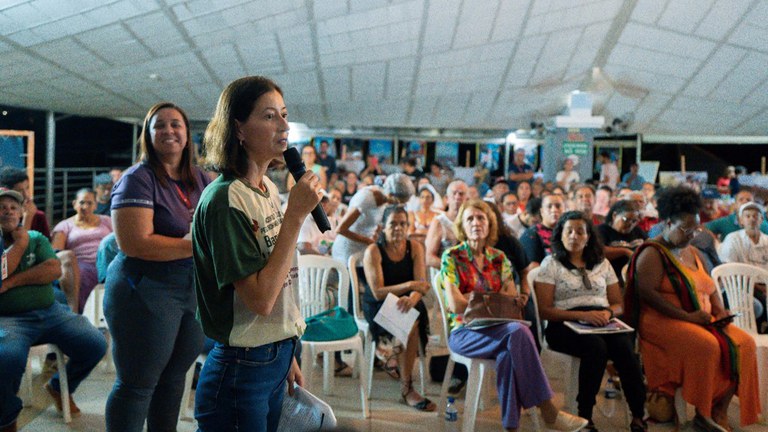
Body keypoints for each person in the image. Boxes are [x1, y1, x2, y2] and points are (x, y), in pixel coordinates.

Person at [192, 76, 321, 432]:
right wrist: (295, 216)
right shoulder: (225, 199)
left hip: (273, 356)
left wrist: (284, 346)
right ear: (238, 129)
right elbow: (260, 299)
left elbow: (280, 276)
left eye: (284, 114)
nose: (284, 126)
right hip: (242, 368)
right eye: (269, 116)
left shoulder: (266, 190)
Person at [104, 102, 210, 432]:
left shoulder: (200, 178)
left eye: (176, 124)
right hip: (145, 288)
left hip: (190, 288)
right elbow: (135, 243)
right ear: (147, 136)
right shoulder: (137, 179)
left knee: (174, 378)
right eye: (159, 125)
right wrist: (198, 246)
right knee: (137, 385)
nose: (168, 130)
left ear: (187, 133)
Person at [440, 199, 587, 432]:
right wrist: (493, 297)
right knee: (518, 331)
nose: (476, 223)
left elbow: (510, 301)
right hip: (465, 332)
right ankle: (548, 410)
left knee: (510, 351)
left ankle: (511, 427)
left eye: (481, 218)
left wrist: (475, 297)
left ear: (490, 225)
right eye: (470, 219)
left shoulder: (499, 258)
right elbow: (456, 305)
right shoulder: (452, 257)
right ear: (462, 226)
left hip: (500, 328)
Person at [625, 186, 761, 431]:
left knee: (745, 344)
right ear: (668, 223)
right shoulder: (653, 252)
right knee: (707, 345)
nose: (692, 235)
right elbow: (647, 294)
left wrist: (719, 311)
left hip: (699, 318)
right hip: (661, 320)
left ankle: (719, 409)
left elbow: (711, 287)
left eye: (696, 229)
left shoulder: (693, 251)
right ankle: (702, 411)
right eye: (686, 230)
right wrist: (686, 316)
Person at [0, 188, 107, 432]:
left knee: (95, 344)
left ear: (21, 212)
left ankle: (58, 387)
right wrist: (20, 245)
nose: (8, 212)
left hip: (51, 312)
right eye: (2, 208)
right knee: (6, 360)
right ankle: (6, 418)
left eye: (13, 208)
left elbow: (53, 270)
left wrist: (11, 283)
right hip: (8, 319)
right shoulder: (25, 240)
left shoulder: (36, 238)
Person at [534, 211, 647, 432]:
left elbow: (618, 304)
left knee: (625, 348)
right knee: (596, 348)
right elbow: (545, 310)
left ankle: (638, 415)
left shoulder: (602, 263)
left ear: (588, 237)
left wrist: (608, 313)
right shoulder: (551, 263)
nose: (574, 236)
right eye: (569, 231)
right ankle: (585, 415)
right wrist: (582, 316)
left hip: (601, 320)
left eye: (580, 232)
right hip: (563, 324)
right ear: (560, 235)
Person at [361, 205, 434, 410]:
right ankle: (407, 388)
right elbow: (378, 291)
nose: (398, 228)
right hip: (378, 304)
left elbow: (422, 285)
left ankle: (396, 360)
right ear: (383, 227)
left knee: (413, 313)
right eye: (393, 223)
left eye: (403, 224)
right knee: (410, 320)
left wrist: (412, 297)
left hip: (405, 302)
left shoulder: (415, 247)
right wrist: (409, 286)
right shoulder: (373, 251)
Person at [0, 167, 78, 311]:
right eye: (20, 190)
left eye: (27, 188)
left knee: (67, 257)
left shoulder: (39, 215)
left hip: (36, 256)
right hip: (16, 259)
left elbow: (42, 245)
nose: (26, 195)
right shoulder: (7, 217)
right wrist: (27, 219)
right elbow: (21, 244)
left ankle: (74, 309)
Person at [51, 188, 113, 313]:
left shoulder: (107, 221)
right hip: (79, 264)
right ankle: (80, 313)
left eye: (89, 203)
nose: (85, 207)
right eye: (82, 202)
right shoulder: (64, 226)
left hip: (105, 261)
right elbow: (56, 253)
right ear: (74, 204)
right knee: (82, 275)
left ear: (96, 205)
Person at [596, 200, 646, 288]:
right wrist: (625, 251)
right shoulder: (602, 230)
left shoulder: (637, 231)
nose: (630, 224)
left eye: (634, 221)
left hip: (637, 277)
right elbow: (599, 252)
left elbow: (648, 244)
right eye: (626, 219)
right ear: (614, 215)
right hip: (611, 279)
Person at [425, 180, 467, 269]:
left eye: (461, 194)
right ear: (447, 199)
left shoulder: (469, 222)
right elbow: (429, 258)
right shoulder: (439, 222)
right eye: (454, 193)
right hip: (444, 272)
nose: (457, 197)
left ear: (467, 199)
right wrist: (454, 269)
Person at [520, 194, 565, 266]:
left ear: (564, 210)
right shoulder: (531, 234)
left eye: (558, 206)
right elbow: (532, 268)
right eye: (549, 206)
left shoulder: (569, 232)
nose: (554, 210)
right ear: (542, 211)